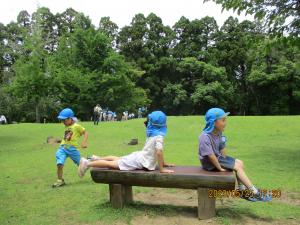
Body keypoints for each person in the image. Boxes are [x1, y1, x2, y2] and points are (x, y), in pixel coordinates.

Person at [198, 108, 272, 202]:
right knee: (238, 167)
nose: (225, 123)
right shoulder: (204, 137)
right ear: (214, 122)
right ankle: (255, 192)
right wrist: (220, 168)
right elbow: (211, 156)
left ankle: (242, 191)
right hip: (210, 163)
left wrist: (223, 145)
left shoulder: (218, 133)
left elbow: (222, 152)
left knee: (240, 162)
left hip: (218, 158)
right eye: (223, 120)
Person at [78, 111, 174, 177]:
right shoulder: (159, 137)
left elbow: (157, 151)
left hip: (139, 156)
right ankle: (87, 163)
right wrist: (162, 169)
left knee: (117, 158)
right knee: (112, 164)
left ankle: (96, 158)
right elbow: (159, 152)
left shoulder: (152, 133)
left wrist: (164, 163)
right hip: (139, 161)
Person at [52, 108, 88, 188]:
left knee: (83, 165)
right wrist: (59, 141)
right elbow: (68, 137)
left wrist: (84, 142)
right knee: (59, 163)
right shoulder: (67, 126)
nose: (63, 122)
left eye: (64, 120)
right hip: (63, 148)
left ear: (70, 118)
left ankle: (94, 163)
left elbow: (85, 133)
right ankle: (60, 180)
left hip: (72, 149)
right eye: (62, 120)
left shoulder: (76, 126)